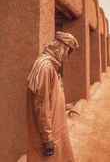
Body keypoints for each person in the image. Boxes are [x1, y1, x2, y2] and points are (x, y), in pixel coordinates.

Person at [26, 31, 79, 162]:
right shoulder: (45, 68)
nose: (68, 56)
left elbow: (49, 98)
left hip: (54, 128)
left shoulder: (49, 65)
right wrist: (47, 138)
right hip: (50, 133)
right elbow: (41, 105)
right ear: (61, 48)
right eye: (69, 52)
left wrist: (63, 106)